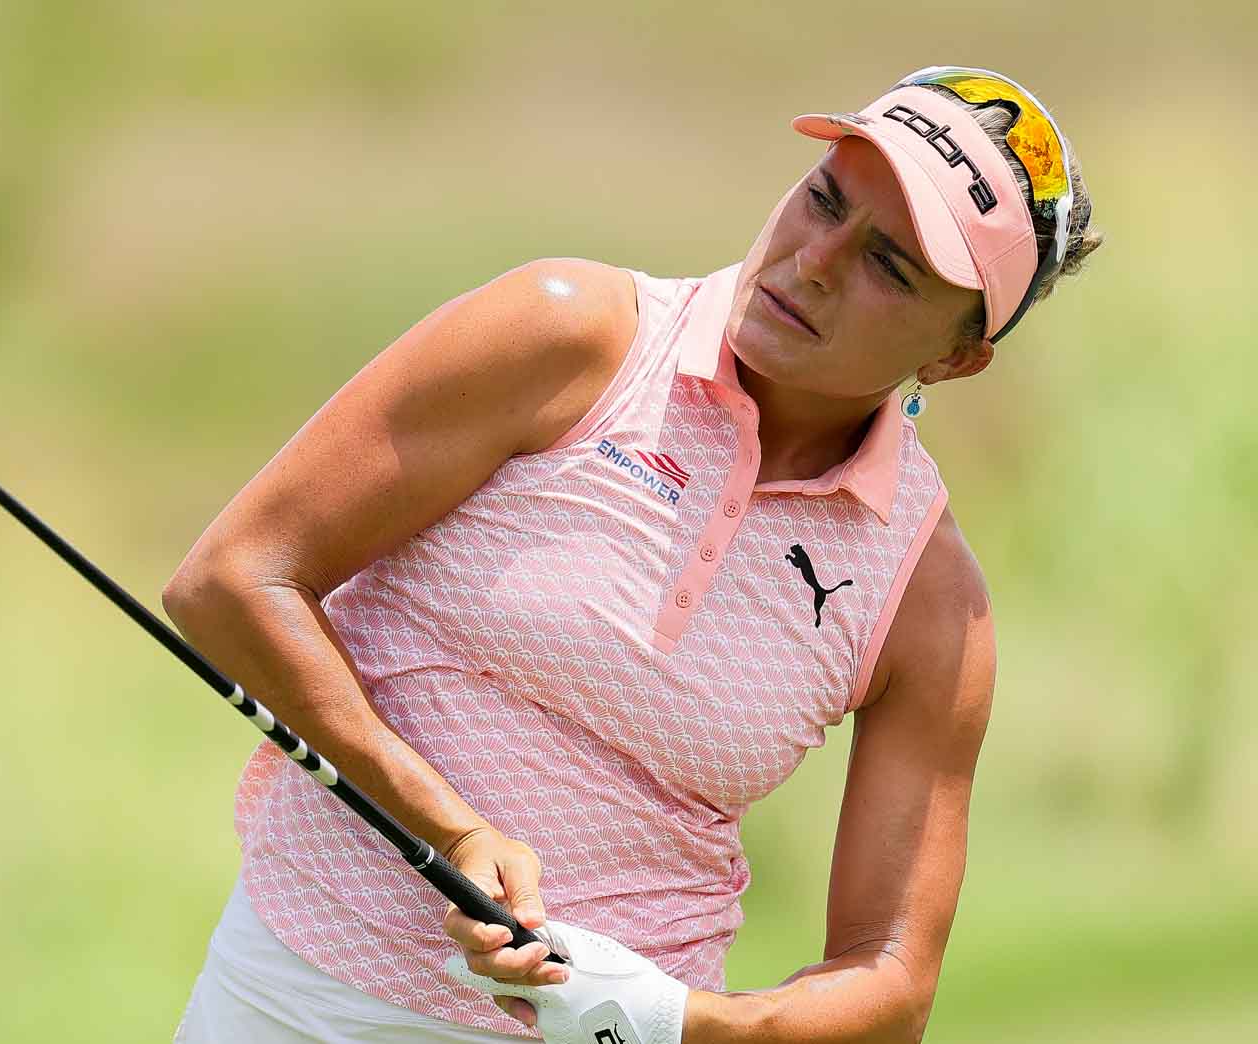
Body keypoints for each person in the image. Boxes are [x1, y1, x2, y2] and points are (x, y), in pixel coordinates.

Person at [162, 66, 1101, 1042]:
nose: (813, 260)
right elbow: (233, 579)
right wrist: (450, 827)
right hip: (297, 999)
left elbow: (893, 982)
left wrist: (672, 1020)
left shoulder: (928, 599)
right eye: (821, 197)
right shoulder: (563, 338)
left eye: (888, 266)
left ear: (955, 356)